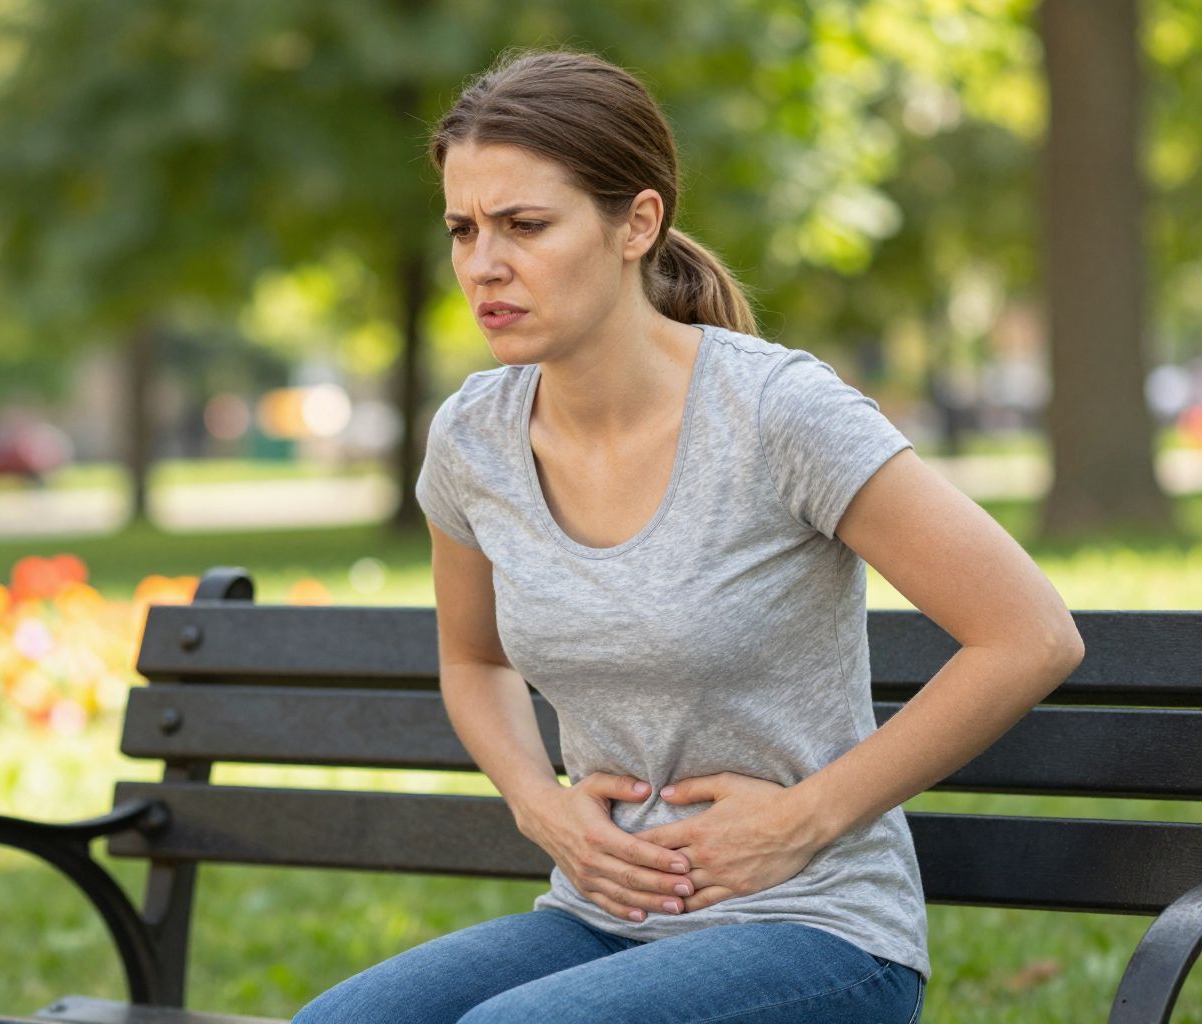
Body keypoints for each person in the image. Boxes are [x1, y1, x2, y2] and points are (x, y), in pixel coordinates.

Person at [293, 46, 1083, 1024]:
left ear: (638, 222)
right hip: (602, 919)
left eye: (525, 225)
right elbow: (472, 658)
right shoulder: (473, 438)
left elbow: (1032, 633)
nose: (483, 264)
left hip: (819, 930)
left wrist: (804, 819)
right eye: (463, 228)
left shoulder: (777, 414)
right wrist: (542, 806)